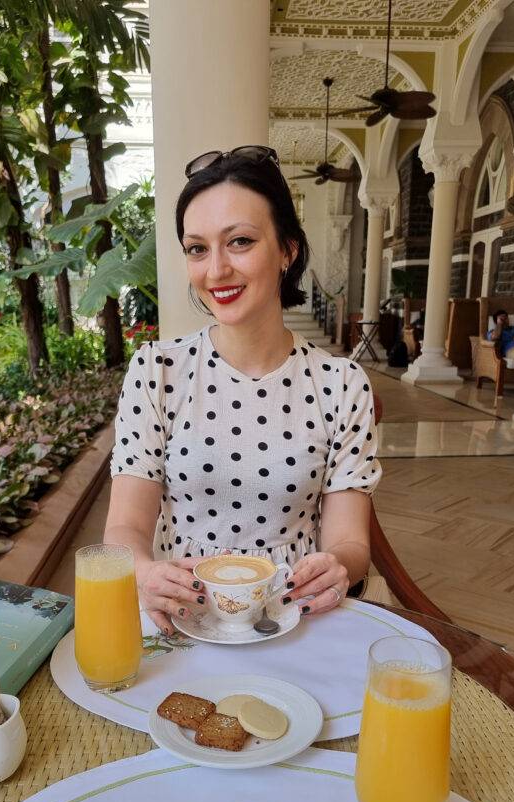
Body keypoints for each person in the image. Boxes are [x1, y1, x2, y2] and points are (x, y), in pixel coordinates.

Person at [104, 145, 381, 635]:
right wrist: (145, 574)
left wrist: (337, 564)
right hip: (183, 617)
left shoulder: (340, 385)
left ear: (288, 250)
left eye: (240, 242)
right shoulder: (157, 372)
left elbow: (351, 543)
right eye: (197, 248)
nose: (216, 271)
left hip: (294, 616)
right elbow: (124, 529)